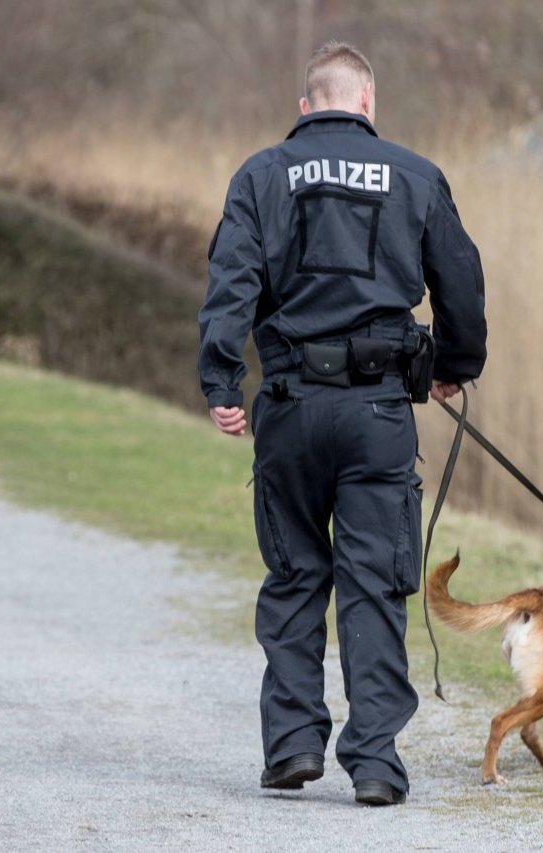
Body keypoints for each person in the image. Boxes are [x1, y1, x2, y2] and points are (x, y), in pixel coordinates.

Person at [197, 41, 487, 807]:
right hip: (378, 413)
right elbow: (461, 278)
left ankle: (292, 745)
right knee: (372, 581)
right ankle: (376, 762)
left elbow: (231, 282)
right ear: (367, 102)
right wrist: (456, 364)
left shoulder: (260, 175)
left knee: (294, 574)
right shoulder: (416, 174)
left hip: (289, 408)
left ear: (305, 106)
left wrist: (221, 378)